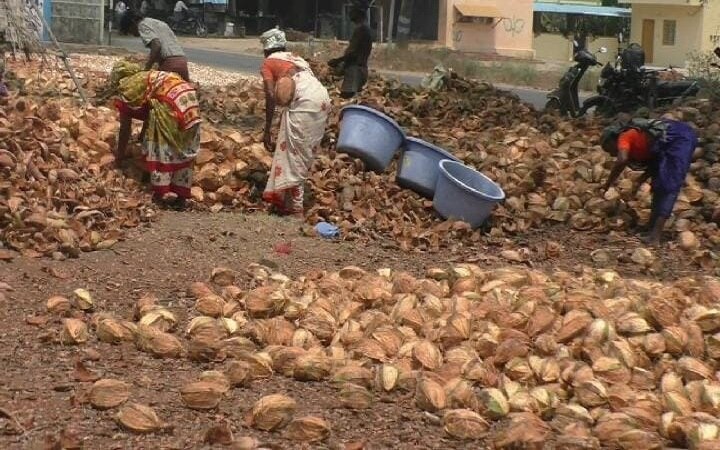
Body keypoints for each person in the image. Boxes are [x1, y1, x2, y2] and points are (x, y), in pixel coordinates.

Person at [110, 60, 200, 209]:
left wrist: (119, 158)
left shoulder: (126, 89)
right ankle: (181, 193)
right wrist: (141, 138)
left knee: (161, 144)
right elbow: (148, 109)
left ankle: (163, 192)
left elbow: (125, 129)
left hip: (170, 100)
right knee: (182, 143)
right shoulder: (145, 78)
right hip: (188, 97)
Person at [259, 27, 330, 216]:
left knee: (293, 153)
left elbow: (270, 94)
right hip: (322, 98)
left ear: (266, 49)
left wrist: (267, 129)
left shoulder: (269, 62)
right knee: (302, 150)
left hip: (304, 100)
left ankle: (295, 207)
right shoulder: (294, 57)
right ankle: (286, 202)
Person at [600, 118, 698, 244]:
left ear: (612, 140)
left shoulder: (624, 137)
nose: (612, 154)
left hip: (679, 137)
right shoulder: (641, 142)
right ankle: (651, 228)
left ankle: (655, 236)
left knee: (668, 185)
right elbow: (654, 164)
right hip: (669, 142)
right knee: (657, 185)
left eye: (609, 149)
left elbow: (622, 160)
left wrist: (608, 184)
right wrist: (639, 181)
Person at [121, 12, 190, 81]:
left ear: (133, 23)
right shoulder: (158, 23)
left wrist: (147, 67)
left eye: (130, 30)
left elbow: (157, 45)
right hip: (182, 61)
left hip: (170, 63)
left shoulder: (142, 25)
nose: (132, 34)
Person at [328, 6, 372, 99]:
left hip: (355, 71)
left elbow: (353, 53)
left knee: (346, 98)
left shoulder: (361, 29)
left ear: (359, 14)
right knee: (349, 97)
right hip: (358, 69)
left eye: (353, 11)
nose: (350, 13)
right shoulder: (364, 28)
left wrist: (337, 61)